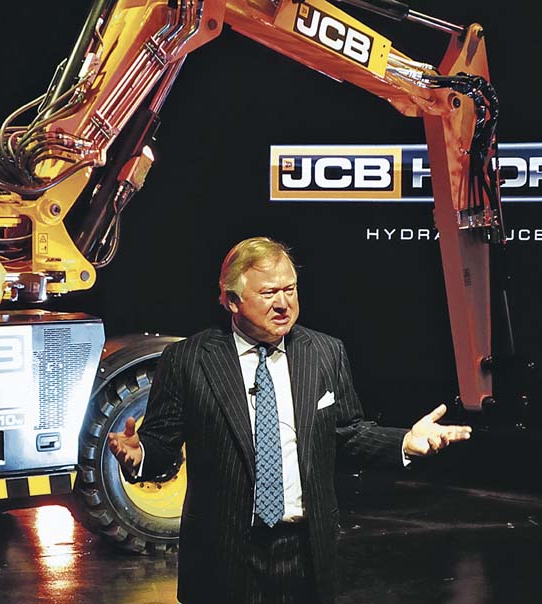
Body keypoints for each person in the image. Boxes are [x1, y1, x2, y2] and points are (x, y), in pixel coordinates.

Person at [108, 236, 472, 604]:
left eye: (290, 290)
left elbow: (347, 433)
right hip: (224, 557)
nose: (283, 304)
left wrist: (404, 442)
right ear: (232, 300)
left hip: (306, 556)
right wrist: (139, 457)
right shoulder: (187, 360)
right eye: (269, 293)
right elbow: (161, 449)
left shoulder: (325, 352)